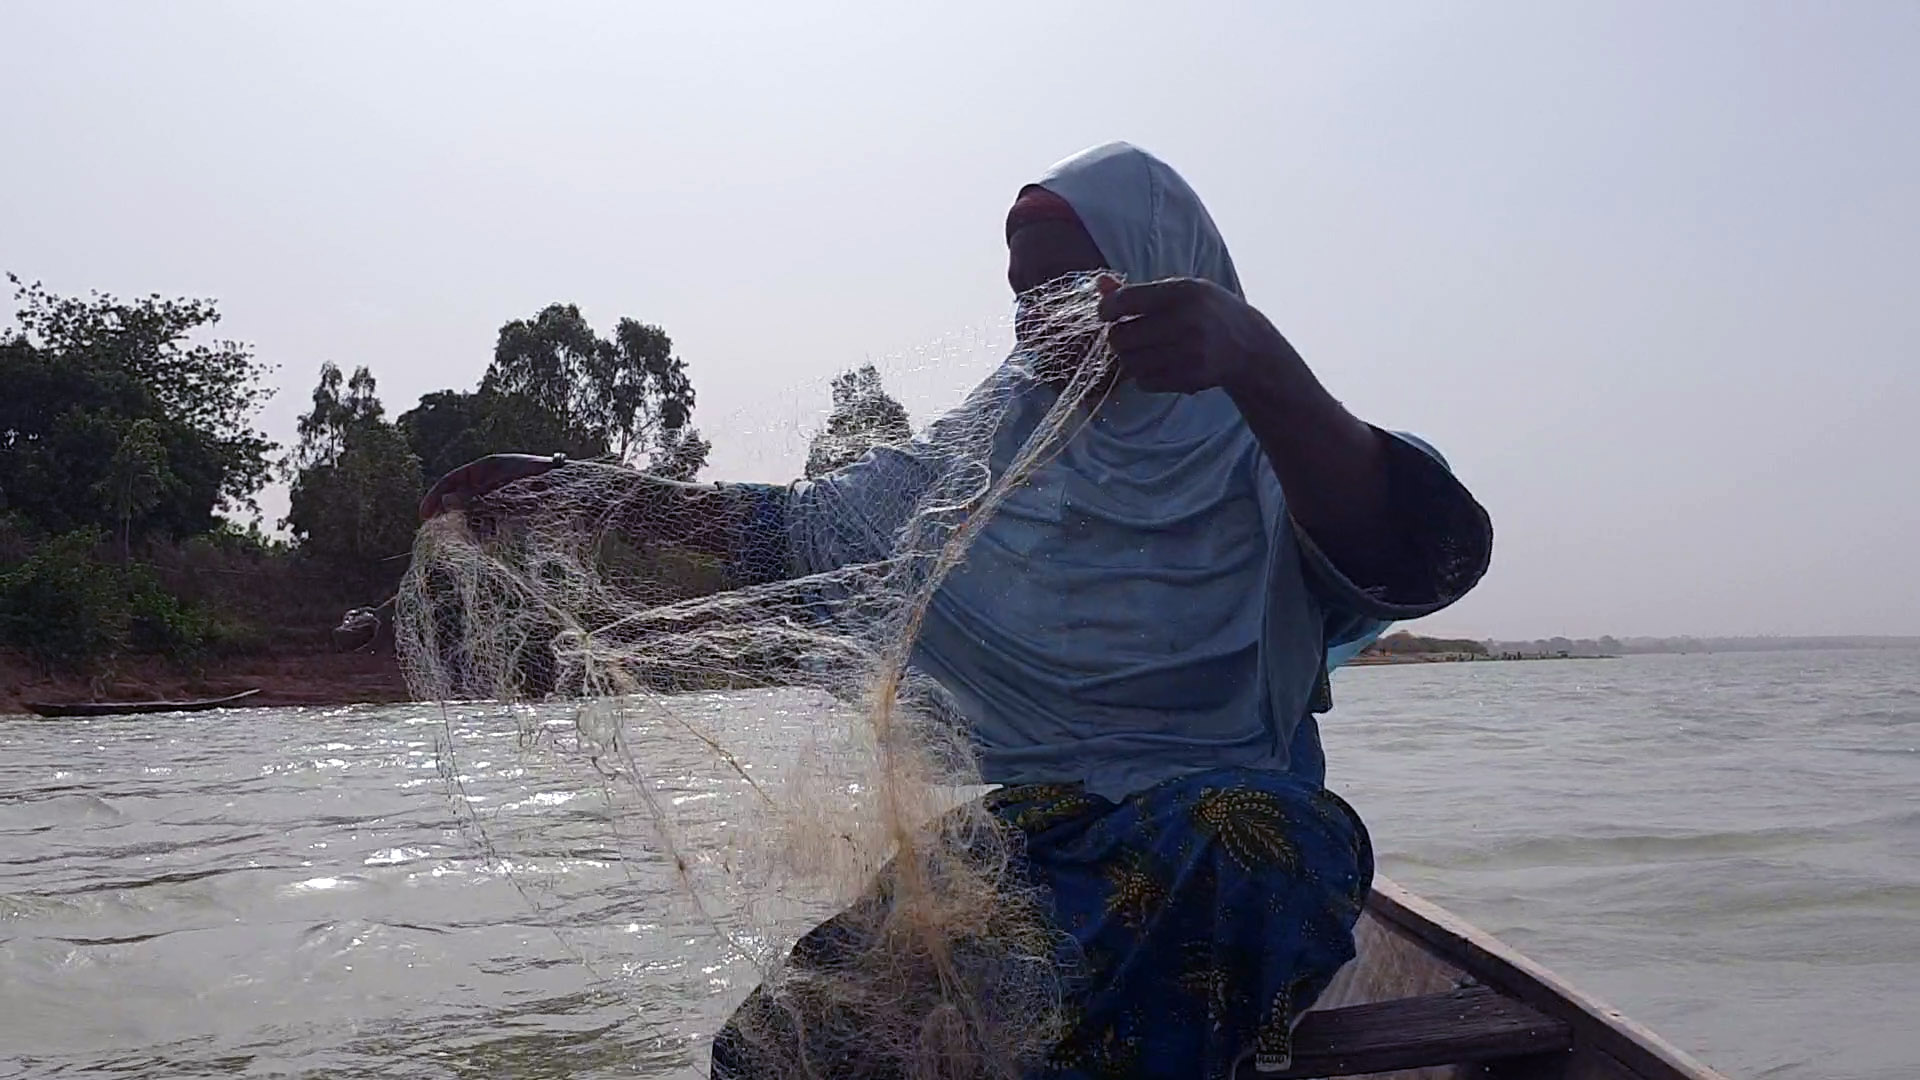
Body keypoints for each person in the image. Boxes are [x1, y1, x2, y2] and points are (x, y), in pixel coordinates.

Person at [422, 142, 1492, 1079]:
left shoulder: (1279, 442)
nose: (1044, 315)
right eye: (1026, 292)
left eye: (1076, 281)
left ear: (1175, 280)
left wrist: (1256, 360)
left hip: (1225, 843)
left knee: (1245, 843)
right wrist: (586, 489)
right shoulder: (993, 448)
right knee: (774, 1045)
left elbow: (1422, 555)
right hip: (1040, 844)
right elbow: (797, 532)